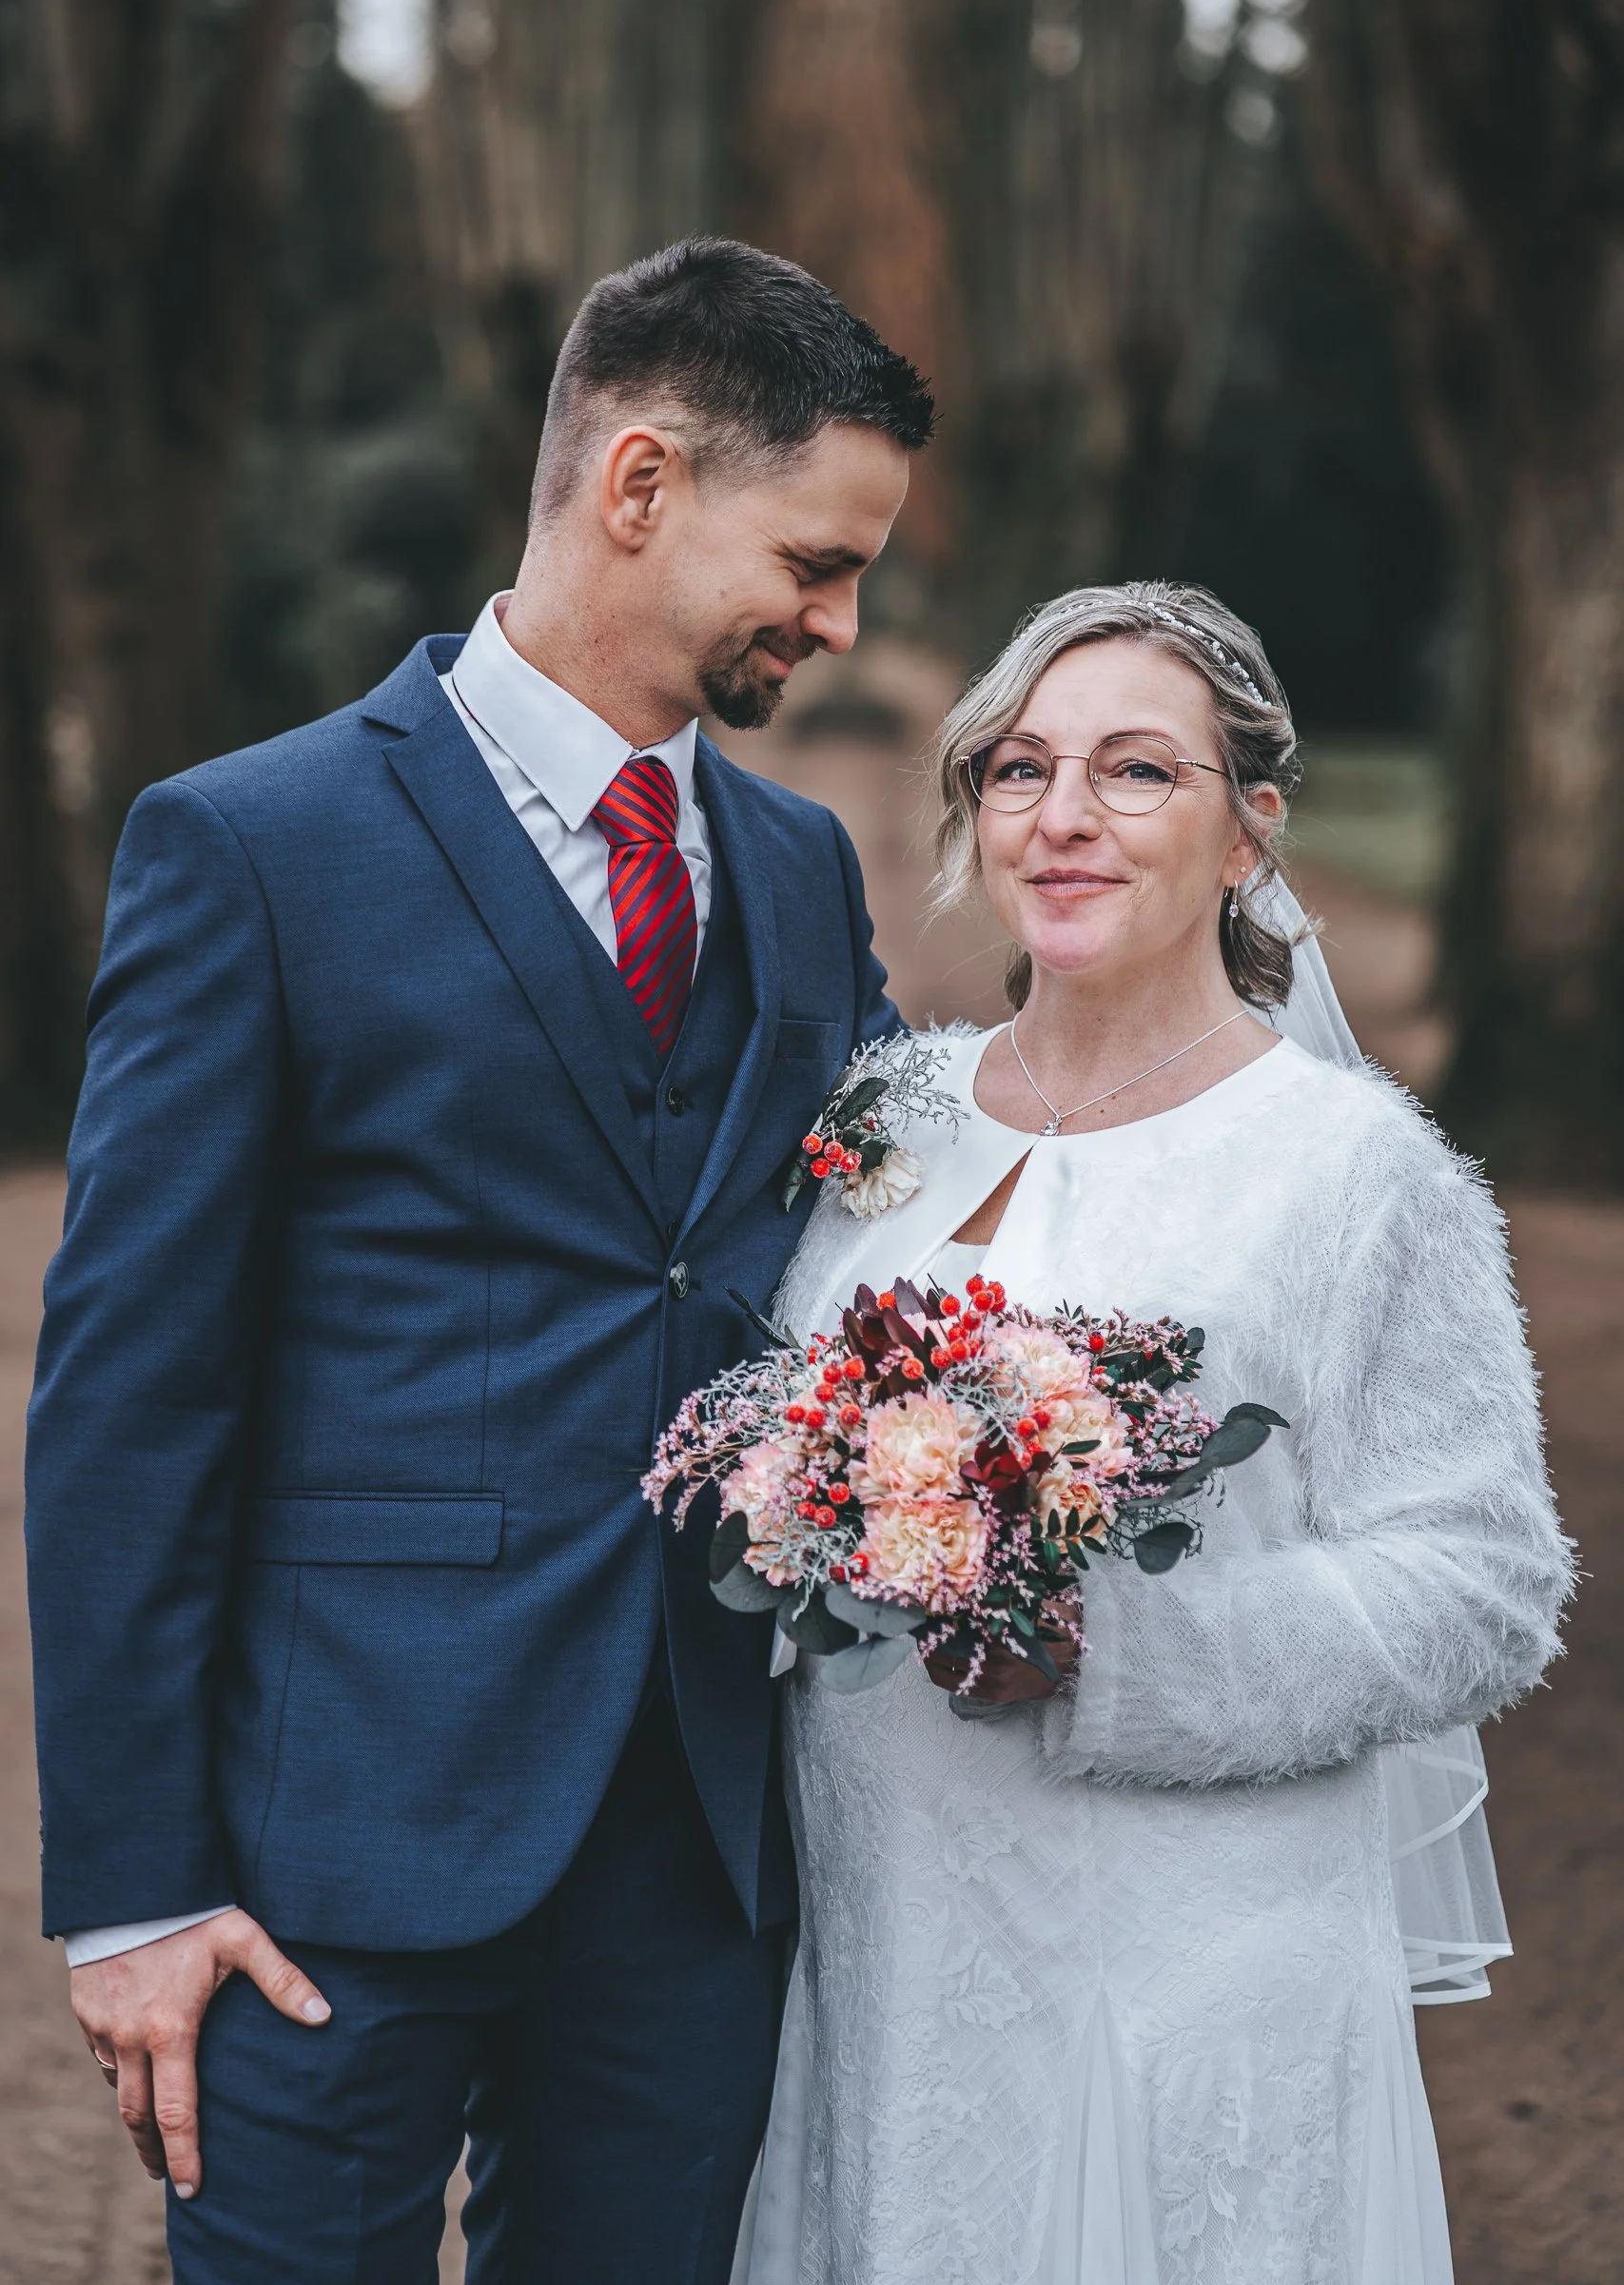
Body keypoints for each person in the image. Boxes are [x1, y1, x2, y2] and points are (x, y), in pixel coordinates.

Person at [25, 238, 933, 2282]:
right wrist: (135, 1889)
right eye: (815, 560)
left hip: (695, 1845)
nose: (841, 622)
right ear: (639, 484)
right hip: (329, 1843)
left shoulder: (799, 870)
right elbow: (130, 1397)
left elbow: (884, 1235)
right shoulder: (250, 846)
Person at [738, 582, 1573, 2285]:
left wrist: (1119, 1656)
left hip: (1196, 1956)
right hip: (886, 1938)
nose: (1063, 817)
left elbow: (1483, 1580)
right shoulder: (889, 1116)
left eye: (1134, 771)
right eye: (1019, 769)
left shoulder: (1353, 1170)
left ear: (1248, 829)